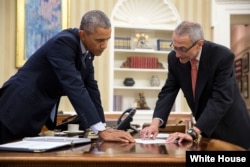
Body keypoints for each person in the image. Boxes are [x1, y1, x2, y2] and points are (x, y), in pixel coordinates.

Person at [0, 10, 135, 144]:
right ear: (82, 35)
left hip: (33, 110)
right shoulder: (64, 43)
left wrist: (102, 127)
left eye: (107, 39)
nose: (104, 46)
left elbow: (91, 89)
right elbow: (74, 85)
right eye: (99, 40)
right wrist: (100, 131)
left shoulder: (88, 53)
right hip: (14, 108)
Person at [140, 20, 250, 149]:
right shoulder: (174, 59)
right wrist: (155, 124)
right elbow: (168, 92)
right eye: (174, 47)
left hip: (231, 128)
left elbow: (220, 99)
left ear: (199, 44)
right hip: (205, 129)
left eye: (182, 49)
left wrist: (193, 131)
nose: (177, 54)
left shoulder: (222, 56)